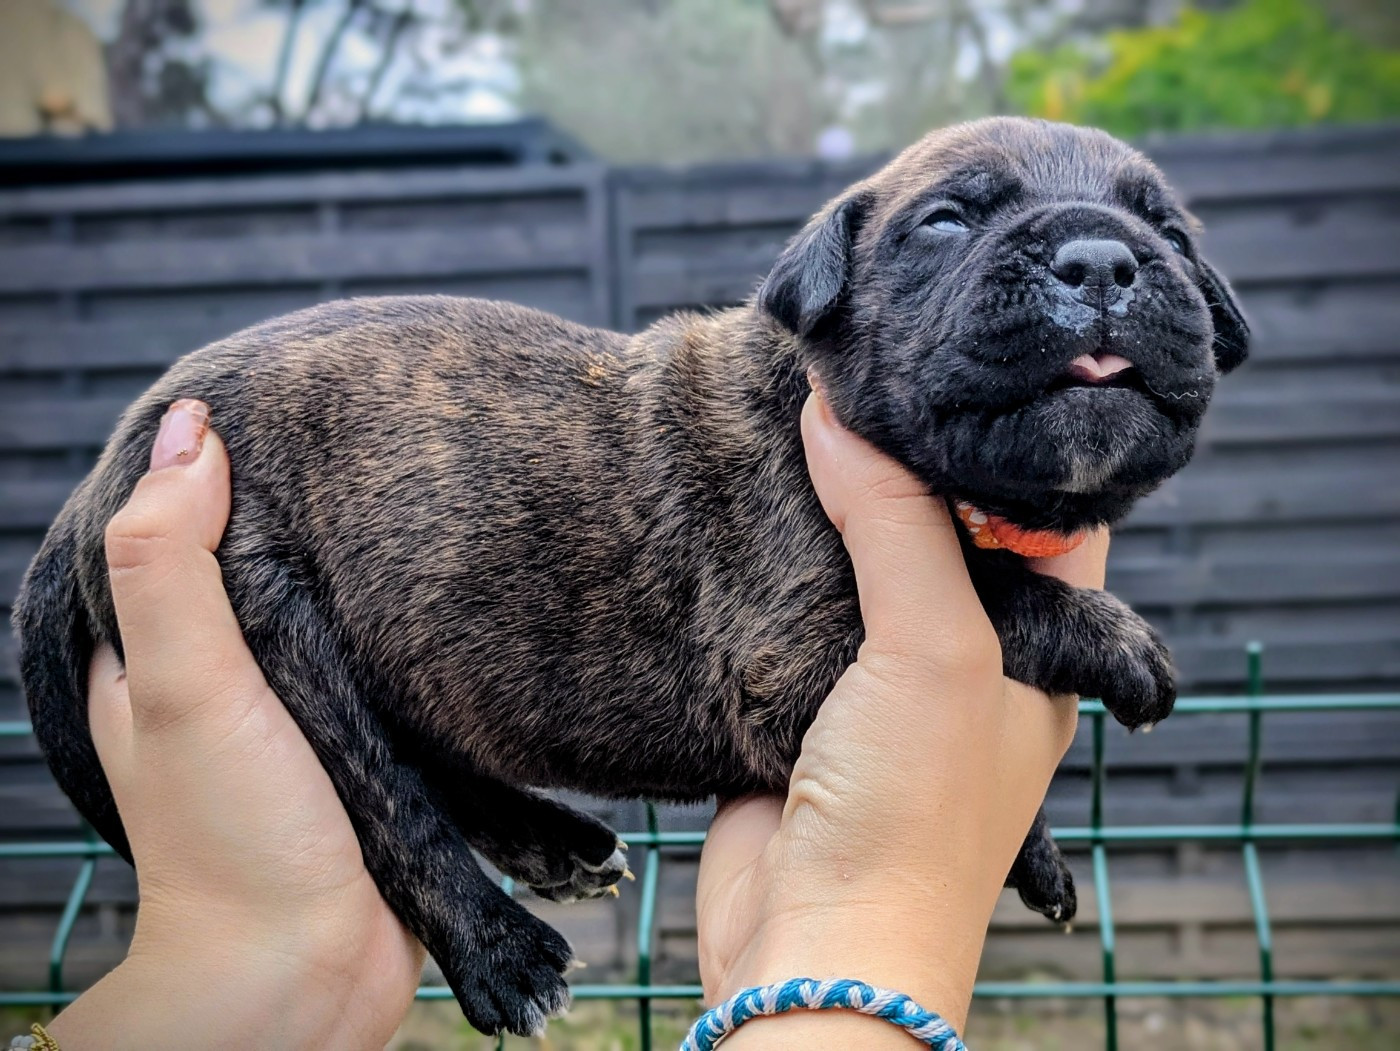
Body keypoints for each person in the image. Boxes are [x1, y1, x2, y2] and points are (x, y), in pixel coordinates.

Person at [30, 392, 1104, 1049]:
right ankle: (454, 896)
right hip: (271, 483)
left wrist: (285, 964)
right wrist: (885, 916)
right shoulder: (781, 449)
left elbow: (866, 718)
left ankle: (465, 837)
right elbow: (826, 700)